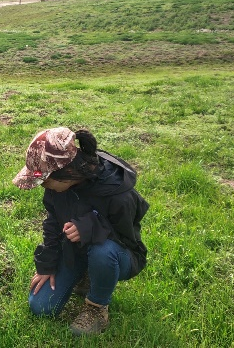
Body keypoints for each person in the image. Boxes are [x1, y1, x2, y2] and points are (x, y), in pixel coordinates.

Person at [13, 127, 149, 336]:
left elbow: (126, 240)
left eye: (44, 181)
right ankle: (86, 275)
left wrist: (90, 227)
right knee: (41, 307)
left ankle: (96, 307)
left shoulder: (120, 194)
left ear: (66, 174)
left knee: (103, 252)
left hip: (120, 255)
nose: (43, 186)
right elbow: (52, 223)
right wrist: (47, 265)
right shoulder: (56, 189)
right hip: (75, 252)